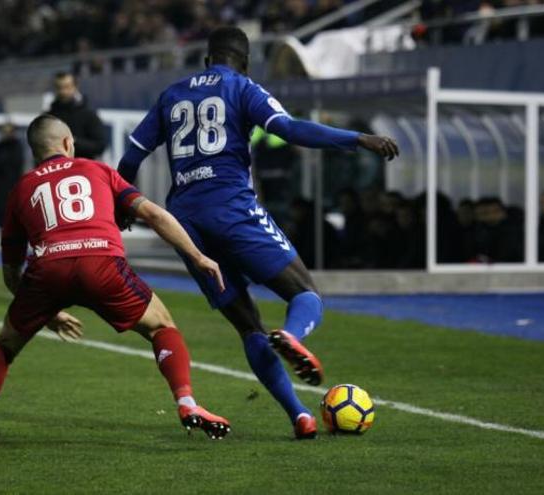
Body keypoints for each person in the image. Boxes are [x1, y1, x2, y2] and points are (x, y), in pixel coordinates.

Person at [118, 26, 399, 439]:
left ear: (206, 59)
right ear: (246, 62)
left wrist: (123, 206)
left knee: (248, 326)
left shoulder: (172, 93)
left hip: (186, 223)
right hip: (232, 208)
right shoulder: (242, 87)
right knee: (305, 293)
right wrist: (356, 138)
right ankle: (291, 333)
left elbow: (130, 158)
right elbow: (289, 129)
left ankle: (300, 415)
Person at [0, 115, 231, 456]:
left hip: (48, 271)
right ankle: (186, 401)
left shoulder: (22, 189)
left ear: (34, 152)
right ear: (67, 143)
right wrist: (198, 256)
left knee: (4, 346)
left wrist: (47, 314)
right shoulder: (98, 170)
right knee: (162, 326)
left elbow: (11, 272)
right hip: (101, 265)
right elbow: (154, 215)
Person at [48, 71, 106, 159]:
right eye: (59, 87)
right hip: (58, 170)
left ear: (75, 86)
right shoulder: (49, 116)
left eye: (67, 87)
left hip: (83, 169)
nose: (63, 91)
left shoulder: (88, 114)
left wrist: (74, 142)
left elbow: (100, 145)